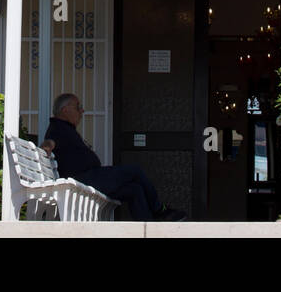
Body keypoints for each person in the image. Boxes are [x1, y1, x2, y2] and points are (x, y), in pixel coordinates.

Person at [41, 92, 187, 221]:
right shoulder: (58, 128)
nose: (82, 111)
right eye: (78, 107)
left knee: (134, 189)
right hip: (84, 180)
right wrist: (45, 148)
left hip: (90, 179)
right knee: (135, 171)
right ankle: (159, 210)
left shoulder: (65, 129)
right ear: (65, 110)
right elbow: (50, 141)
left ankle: (147, 224)